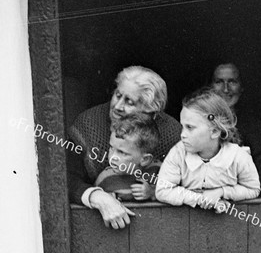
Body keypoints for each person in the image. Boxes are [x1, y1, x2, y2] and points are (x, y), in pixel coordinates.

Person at [67, 65, 181, 229]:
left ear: (151, 111)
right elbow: (66, 178)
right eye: (117, 95)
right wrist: (98, 197)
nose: (117, 106)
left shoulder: (172, 135)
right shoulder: (88, 125)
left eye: (129, 102)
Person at [155, 88, 260, 211]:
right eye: (182, 126)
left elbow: (253, 189)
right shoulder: (178, 153)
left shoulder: (238, 157)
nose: (182, 134)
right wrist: (199, 199)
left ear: (215, 131)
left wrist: (222, 192)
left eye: (190, 127)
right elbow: (163, 190)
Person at [211, 63, 261, 197]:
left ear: (241, 87)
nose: (226, 89)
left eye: (232, 82)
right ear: (210, 87)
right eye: (219, 82)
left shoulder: (254, 127)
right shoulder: (198, 123)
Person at [95, 113, 161, 201]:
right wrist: (105, 198)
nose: (113, 157)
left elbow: (176, 193)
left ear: (145, 159)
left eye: (122, 152)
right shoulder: (105, 178)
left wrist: (152, 192)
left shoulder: (158, 171)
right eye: (111, 148)